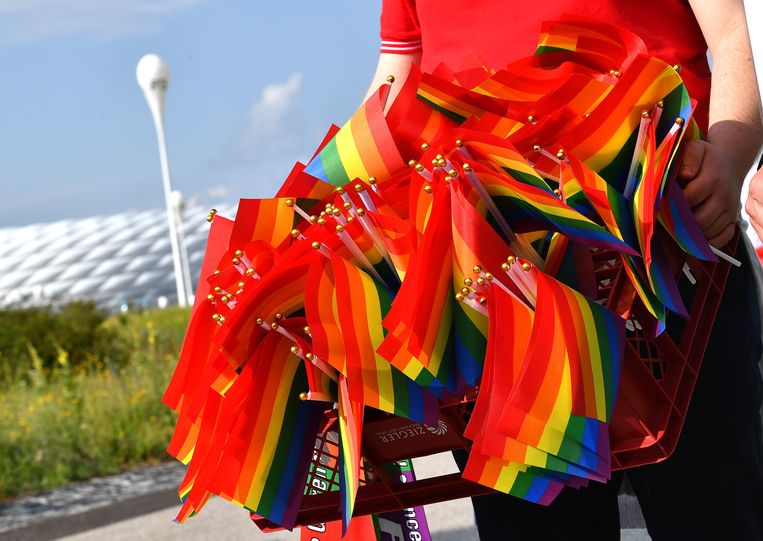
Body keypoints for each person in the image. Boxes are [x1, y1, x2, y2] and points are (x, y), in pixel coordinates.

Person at [370, 1, 763, 539]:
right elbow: (395, 84)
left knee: (715, 513)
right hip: (498, 290)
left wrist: (730, 155)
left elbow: (734, 37)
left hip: (672, 252)